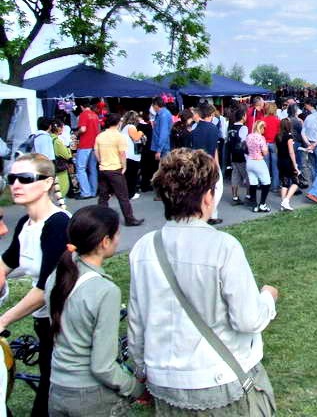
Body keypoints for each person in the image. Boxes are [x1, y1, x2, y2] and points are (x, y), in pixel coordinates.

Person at [128, 148, 278, 415]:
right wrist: (267, 297)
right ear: (207, 197)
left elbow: (136, 321)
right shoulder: (223, 246)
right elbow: (248, 319)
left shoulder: (144, 247)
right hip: (217, 377)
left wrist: (142, 369)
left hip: (165, 379)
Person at [45, 206, 144, 416]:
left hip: (57, 389)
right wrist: (134, 387)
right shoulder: (105, 291)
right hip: (90, 395)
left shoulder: (56, 277)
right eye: (117, 234)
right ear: (105, 241)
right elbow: (102, 366)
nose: (118, 239)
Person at [0, 153, 70, 415]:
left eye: (26, 178)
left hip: (64, 326)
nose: (16, 184)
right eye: (12, 179)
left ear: (47, 182)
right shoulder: (25, 223)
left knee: (49, 400)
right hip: (45, 323)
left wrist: (3, 320)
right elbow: (6, 263)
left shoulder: (58, 224)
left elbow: (45, 288)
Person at [94, 113, 142, 227]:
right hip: (115, 169)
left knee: (103, 196)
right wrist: (124, 166)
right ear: (118, 123)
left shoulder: (100, 136)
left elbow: (96, 152)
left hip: (103, 169)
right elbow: (122, 153)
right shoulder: (119, 136)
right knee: (123, 196)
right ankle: (129, 219)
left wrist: (101, 161)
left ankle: (101, 219)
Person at [245, 120, 272, 213]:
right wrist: (266, 148)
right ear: (261, 128)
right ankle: (262, 204)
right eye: (264, 128)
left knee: (253, 183)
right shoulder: (261, 138)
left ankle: (254, 205)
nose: (265, 130)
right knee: (267, 182)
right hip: (258, 161)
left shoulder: (249, 136)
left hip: (249, 161)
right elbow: (265, 152)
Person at [76, 100, 101, 199]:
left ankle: (86, 192)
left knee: (81, 168)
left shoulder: (83, 114)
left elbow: (83, 129)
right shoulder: (95, 115)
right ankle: (93, 191)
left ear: (81, 106)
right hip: (94, 144)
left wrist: (76, 133)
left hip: (84, 144)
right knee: (93, 169)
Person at [120, 110, 146, 201]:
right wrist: (141, 132)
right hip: (131, 155)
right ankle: (131, 194)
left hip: (126, 154)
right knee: (132, 176)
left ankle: (127, 193)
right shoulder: (131, 127)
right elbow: (136, 138)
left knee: (128, 175)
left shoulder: (123, 128)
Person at [275, 117, 301, 211]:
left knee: (284, 182)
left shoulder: (278, 136)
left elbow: (277, 149)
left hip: (280, 161)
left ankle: (283, 204)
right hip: (288, 161)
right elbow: (291, 152)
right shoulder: (289, 137)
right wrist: (295, 165)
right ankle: (286, 200)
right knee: (296, 182)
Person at [49, 119, 73, 197]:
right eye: (62, 127)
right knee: (62, 191)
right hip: (60, 168)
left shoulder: (48, 138)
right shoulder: (57, 141)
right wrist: (68, 149)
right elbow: (66, 155)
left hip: (51, 167)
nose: (63, 129)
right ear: (58, 128)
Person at [149, 96, 172, 163]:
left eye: (153, 105)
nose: (152, 107)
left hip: (163, 149)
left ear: (156, 105)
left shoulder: (163, 115)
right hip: (161, 148)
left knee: (163, 167)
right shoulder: (160, 114)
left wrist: (159, 150)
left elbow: (163, 133)